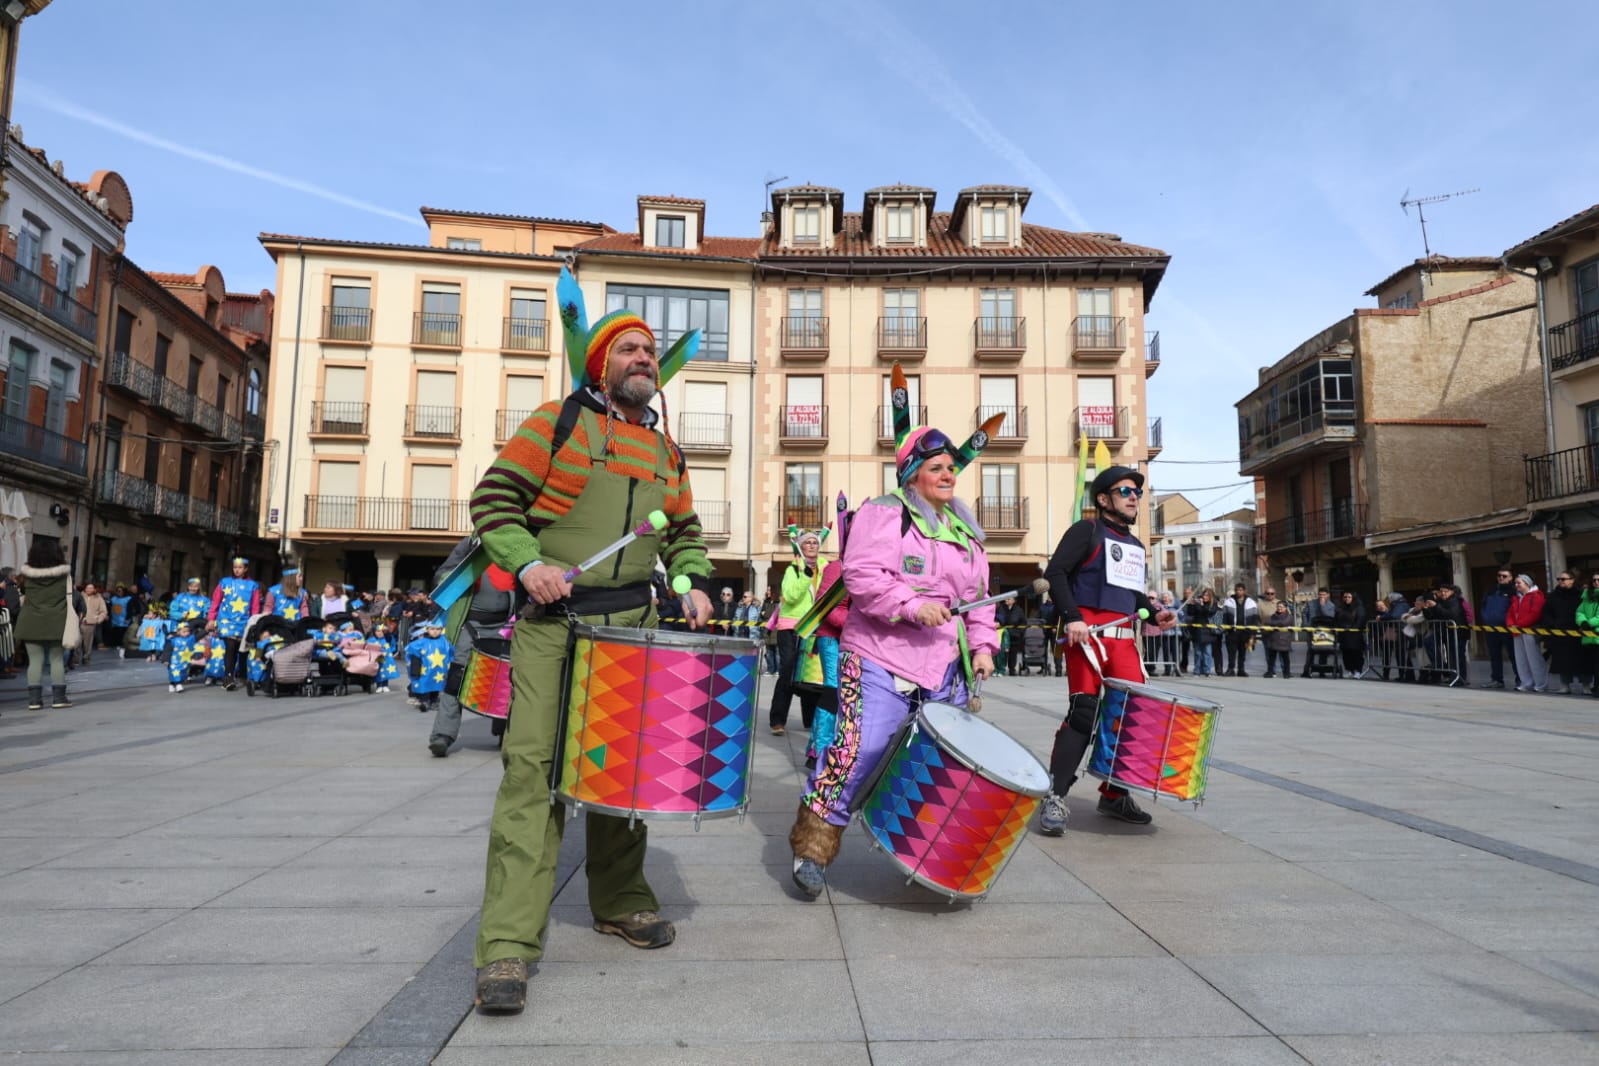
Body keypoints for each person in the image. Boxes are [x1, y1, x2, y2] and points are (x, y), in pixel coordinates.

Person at [468, 300, 712, 1014]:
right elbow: (495, 501)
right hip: (552, 620)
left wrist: (692, 578)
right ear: (601, 365)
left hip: (632, 628)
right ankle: (507, 946)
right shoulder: (557, 422)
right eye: (627, 349)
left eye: (648, 350)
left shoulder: (668, 452)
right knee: (532, 775)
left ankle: (620, 901)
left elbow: (686, 533)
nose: (642, 357)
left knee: (619, 773)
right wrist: (525, 562)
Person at [787, 416, 998, 897]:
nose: (948, 475)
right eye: (937, 468)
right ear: (912, 474)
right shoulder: (885, 513)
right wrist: (912, 605)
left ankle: (922, 852)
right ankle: (813, 846)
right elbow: (862, 576)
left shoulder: (967, 534)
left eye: (951, 468)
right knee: (861, 751)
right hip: (881, 657)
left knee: (938, 763)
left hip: (945, 667)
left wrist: (983, 648)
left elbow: (979, 603)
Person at [1037, 465, 1178, 835]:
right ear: (1103, 499)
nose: (1134, 497)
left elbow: (1130, 594)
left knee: (1134, 715)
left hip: (1122, 637)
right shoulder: (1087, 530)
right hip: (1086, 636)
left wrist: (1156, 613)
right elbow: (1055, 573)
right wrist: (1071, 617)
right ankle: (1054, 796)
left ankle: (1114, 796)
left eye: (1137, 492)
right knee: (1084, 712)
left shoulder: (1134, 545)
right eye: (1125, 491)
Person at [426, 536, 517, 758]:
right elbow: (442, 576)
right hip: (472, 625)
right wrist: (460, 575)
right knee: (457, 677)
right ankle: (442, 736)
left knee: (509, 679)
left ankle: (504, 730)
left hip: (509, 625)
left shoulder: (519, 543)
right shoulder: (470, 545)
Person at [769, 531, 823, 736]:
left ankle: (809, 720)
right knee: (788, 672)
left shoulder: (825, 566)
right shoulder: (793, 568)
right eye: (807, 542)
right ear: (800, 546)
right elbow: (790, 596)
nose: (811, 545)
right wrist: (806, 577)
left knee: (810, 674)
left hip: (814, 626)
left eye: (815, 542)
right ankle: (777, 720)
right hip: (791, 627)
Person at [16, 540, 73, 708]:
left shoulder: (27, 577)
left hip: (31, 621)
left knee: (35, 661)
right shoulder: (64, 576)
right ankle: (59, 699)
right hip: (57, 621)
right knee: (56, 660)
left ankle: (34, 700)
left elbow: (23, 593)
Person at [207, 557, 260, 689]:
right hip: (226, 620)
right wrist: (212, 619)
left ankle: (242, 675)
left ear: (246, 569)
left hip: (244, 622)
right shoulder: (224, 582)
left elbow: (255, 606)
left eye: (240, 567)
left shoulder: (253, 586)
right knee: (230, 649)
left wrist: (255, 622)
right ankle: (228, 678)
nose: (237, 570)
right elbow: (216, 601)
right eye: (235, 567)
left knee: (241, 650)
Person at [1543, 571, 1583, 694]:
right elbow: (1546, 612)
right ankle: (1564, 685)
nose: (1560, 581)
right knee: (1562, 661)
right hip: (1560, 633)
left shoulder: (1581, 595)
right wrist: (1554, 624)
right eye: (1559, 579)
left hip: (1578, 633)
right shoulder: (1553, 596)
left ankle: (1586, 685)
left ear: (1572, 580)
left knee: (1583, 660)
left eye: (1563, 579)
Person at [1507, 574, 1548, 693]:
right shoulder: (1517, 597)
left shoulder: (1536, 596)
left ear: (1527, 584)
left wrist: (1519, 625)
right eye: (1515, 583)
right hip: (1517, 632)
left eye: (1518, 583)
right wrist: (1511, 625)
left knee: (1534, 658)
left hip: (1529, 631)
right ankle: (1526, 682)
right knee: (1521, 659)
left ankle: (1540, 683)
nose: (1516, 585)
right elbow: (1510, 613)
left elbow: (1535, 614)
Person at [1479, 568, 1518, 689]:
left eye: (1504, 576)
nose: (1501, 578)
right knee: (1494, 655)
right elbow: (1483, 606)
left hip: (1506, 629)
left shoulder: (1514, 591)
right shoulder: (1491, 590)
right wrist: (1485, 618)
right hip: (1491, 628)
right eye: (1499, 575)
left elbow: (1515, 609)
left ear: (1511, 578)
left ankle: (1520, 679)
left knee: (1513, 655)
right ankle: (1497, 679)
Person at [1222, 583, 1259, 677]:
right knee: (1231, 652)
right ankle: (1230, 669)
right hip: (1232, 632)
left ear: (1244, 591)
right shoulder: (1229, 601)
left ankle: (1241, 670)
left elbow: (1255, 618)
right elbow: (1224, 617)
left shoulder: (1251, 602)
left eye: (1241, 590)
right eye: (1237, 590)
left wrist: (1253, 633)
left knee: (1242, 652)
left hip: (1245, 632)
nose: (1239, 592)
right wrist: (1226, 630)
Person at [1301, 587, 1337, 678]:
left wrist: (1322, 606)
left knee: (1323, 650)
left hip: (1325, 630)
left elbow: (1330, 616)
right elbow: (1304, 613)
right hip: (1312, 629)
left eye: (1324, 595)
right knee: (1311, 650)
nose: (1322, 597)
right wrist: (1305, 625)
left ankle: (1322, 670)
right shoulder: (1311, 603)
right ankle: (1307, 670)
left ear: (1328, 595)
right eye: (1320, 595)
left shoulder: (1331, 605)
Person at [1185, 588, 1220, 677]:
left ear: (1211, 596)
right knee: (1198, 652)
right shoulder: (1198, 603)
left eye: (1207, 595)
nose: (1204, 597)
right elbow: (1191, 613)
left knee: (1207, 652)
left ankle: (1206, 670)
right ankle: (1197, 670)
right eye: (1204, 595)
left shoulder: (1213, 604)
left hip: (1208, 631)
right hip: (1197, 631)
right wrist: (1191, 605)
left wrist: (1201, 605)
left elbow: (1209, 612)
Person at [1333, 590, 1367, 678]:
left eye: (1349, 597)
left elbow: (1360, 620)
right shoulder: (1341, 608)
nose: (1347, 599)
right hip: (1344, 635)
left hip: (1355, 635)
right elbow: (1336, 619)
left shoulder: (1359, 608)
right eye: (1345, 597)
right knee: (1346, 653)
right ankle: (1349, 670)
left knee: (1356, 653)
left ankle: (1358, 670)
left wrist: (1353, 628)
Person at [1578, 573, 1599, 697]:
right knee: (1592, 664)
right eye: (1594, 580)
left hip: (1596, 635)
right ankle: (1595, 687)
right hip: (1588, 637)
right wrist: (1583, 622)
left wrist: (1589, 624)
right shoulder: (1587, 596)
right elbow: (1579, 612)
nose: (1596, 582)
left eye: (1598, 580)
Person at [1261, 599, 1294, 677]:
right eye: (1278, 606)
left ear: (1286, 608)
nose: (1279, 608)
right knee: (1271, 658)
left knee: (1285, 658)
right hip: (1273, 639)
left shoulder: (1289, 617)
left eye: (1281, 607)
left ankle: (1286, 673)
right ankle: (1270, 672)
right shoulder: (1273, 616)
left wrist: (1272, 624)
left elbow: (1283, 623)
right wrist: (1273, 624)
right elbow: (1267, 623)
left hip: (1284, 640)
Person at [999, 594, 1026, 676]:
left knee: (1013, 653)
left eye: (1009, 599)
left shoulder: (1018, 610)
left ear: (1014, 601)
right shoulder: (1001, 608)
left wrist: (1020, 632)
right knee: (1002, 653)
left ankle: (1012, 669)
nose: (1006, 600)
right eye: (1006, 599)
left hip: (1015, 635)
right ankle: (1001, 669)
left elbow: (1024, 623)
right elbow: (998, 620)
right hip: (1004, 635)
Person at [168, 620, 197, 692]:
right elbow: (167, 650)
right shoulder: (173, 640)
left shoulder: (190, 639)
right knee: (175, 672)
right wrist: (165, 659)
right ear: (178, 632)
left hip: (184, 660)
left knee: (182, 673)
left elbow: (198, 635)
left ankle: (173, 684)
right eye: (184, 632)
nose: (186, 633)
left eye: (188, 631)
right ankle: (177, 684)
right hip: (174, 660)